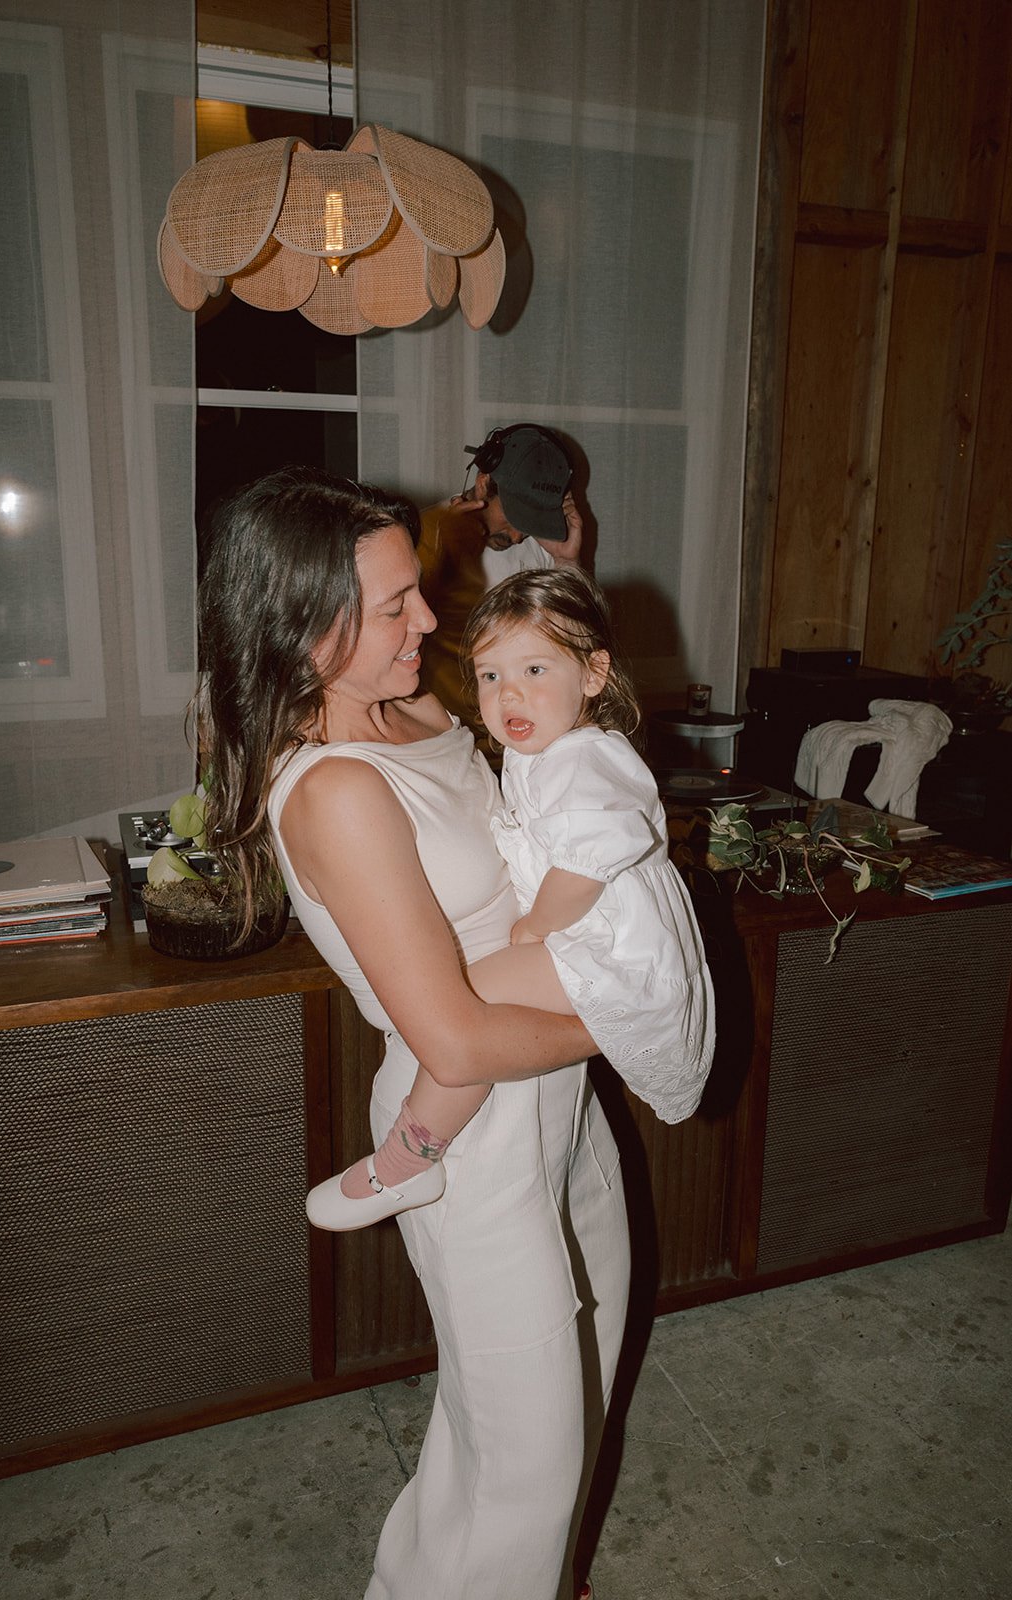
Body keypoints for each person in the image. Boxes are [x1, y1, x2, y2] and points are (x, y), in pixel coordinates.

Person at [195, 465, 629, 1600]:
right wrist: (637, 1007)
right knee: (521, 1470)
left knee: (560, 1411)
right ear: (302, 628)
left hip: (563, 1106)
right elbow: (462, 1039)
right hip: (474, 1136)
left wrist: (565, 575)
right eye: (395, 606)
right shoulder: (334, 789)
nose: (428, 618)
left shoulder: (418, 704)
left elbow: (556, 731)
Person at [307, 566, 716, 1232]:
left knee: (464, 1008)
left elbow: (585, 864)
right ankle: (414, 1150)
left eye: (533, 671)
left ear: (593, 674)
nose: (507, 696)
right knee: (463, 1011)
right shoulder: (546, 751)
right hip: (591, 934)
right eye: (490, 676)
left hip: (603, 940)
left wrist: (535, 926)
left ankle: (406, 1163)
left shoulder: (585, 761)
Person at [418, 423, 583, 740]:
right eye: (515, 516)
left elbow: (574, 648)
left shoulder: (541, 550)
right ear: (484, 483)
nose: (519, 535)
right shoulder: (423, 537)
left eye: (533, 520)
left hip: (520, 741)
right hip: (446, 741)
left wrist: (567, 562)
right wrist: (440, 557)